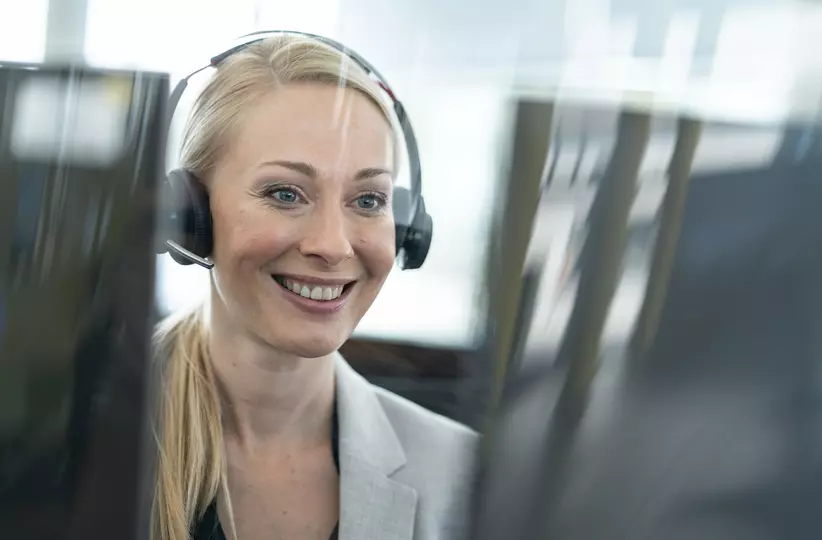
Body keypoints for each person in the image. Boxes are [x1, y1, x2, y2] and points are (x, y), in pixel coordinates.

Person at [151, 34, 478, 540]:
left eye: (368, 200)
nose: (333, 245)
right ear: (189, 214)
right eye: (285, 193)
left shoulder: (464, 479)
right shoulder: (69, 435)